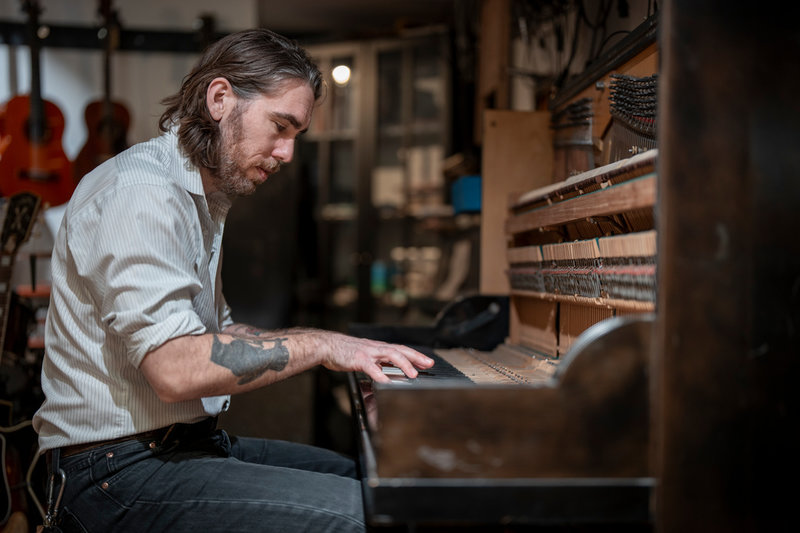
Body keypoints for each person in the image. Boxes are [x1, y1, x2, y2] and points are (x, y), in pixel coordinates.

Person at [32, 28, 433, 533]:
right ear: (220, 98)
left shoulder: (201, 198)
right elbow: (176, 370)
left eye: (296, 136)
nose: (287, 154)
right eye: (280, 127)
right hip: (113, 476)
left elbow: (221, 339)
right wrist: (320, 346)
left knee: (374, 483)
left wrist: (349, 354)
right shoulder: (142, 194)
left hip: (179, 447)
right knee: (367, 517)